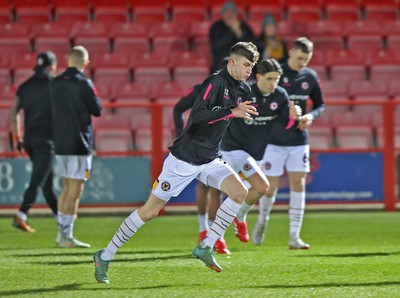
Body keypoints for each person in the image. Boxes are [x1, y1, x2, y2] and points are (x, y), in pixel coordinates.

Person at [93, 41, 260, 283]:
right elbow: (197, 116)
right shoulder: (214, 83)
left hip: (210, 159)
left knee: (239, 192)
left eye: (252, 67)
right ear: (232, 61)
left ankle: (206, 246)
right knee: (149, 212)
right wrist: (231, 112)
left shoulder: (241, 90)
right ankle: (105, 256)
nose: (249, 71)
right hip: (184, 161)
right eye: (246, 65)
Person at [251, 37, 326, 249]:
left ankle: (294, 236)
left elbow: (320, 104)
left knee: (298, 183)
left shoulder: (310, 76)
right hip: (274, 140)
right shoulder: (277, 74)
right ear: (291, 52)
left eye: (307, 59)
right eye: (301, 57)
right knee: (270, 188)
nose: (303, 62)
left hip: (298, 140)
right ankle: (262, 221)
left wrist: (311, 117)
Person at [221, 59, 301, 242]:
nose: (274, 83)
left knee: (245, 191)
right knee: (260, 186)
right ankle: (221, 234)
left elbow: (285, 126)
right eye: (269, 78)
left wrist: (293, 117)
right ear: (258, 77)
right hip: (233, 148)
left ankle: (233, 222)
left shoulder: (280, 95)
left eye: (277, 79)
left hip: (256, 153)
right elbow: (223, 112)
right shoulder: (243, 92)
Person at [50, 45, 102, 248]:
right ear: (86, 63)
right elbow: (96, 110)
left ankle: (61, 234)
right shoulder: (84, 83)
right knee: (76, 190)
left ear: (67, 60)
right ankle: (66, 234)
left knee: (66, 188)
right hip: (79, 143)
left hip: (60, 142)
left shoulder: (54, 83)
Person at [173, 84, 231, 255]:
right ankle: (203, 229)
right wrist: (180, 134)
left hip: (225, 145)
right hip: (200, 145)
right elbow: (178, 109)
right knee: (205, 187)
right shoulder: (202, 89)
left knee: (218, 190)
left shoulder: (240, 91)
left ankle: (216, 236)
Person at [10, 51, 59, 233]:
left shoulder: (24, 87)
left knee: (46, 181)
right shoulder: (55, 85)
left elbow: (13, 112)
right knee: (38, 181)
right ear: (52, 66)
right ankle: (22, 214)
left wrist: (17, 137)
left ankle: (60, 218)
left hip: (29, 140)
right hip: (47, 142)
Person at [209, 1, 256, 73]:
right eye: (226, 12)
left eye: (232, 12)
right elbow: (216, 46)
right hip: (222, 63)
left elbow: (253, 46)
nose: (229, 15)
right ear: (222, 14)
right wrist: (232, 32)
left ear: (236, 14)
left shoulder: (243, 26)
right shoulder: (216, 27)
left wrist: (239, 33)